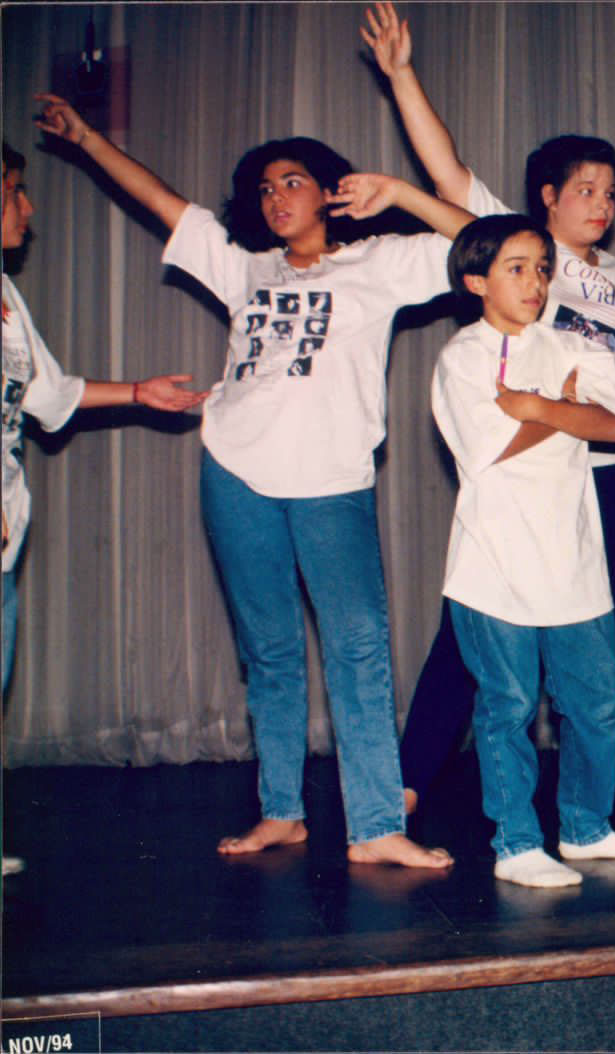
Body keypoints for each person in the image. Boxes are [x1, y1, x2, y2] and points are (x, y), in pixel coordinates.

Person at [35, 94, 467, 867]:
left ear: (329, 191)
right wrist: (89, 140)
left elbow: (486, 242)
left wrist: (400, 194)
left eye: (292, 182)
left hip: (331, 478)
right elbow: (161, 199)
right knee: (268, 651)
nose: (276, 199)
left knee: (357, 646)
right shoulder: (245, 267)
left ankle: (375, 825)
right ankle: (282, 812)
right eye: (265, 189)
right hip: (235, 471)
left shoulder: (380, 262)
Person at [360, 3, 615, 810]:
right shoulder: (525, 256)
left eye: (611, 191)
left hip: (604, 465)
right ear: (546, 198)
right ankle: (411, 777)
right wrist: (402, 74)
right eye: (585, 189)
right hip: (531, 471)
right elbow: (446, 177)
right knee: (473, 627)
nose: (601, 203)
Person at [433, 214, 615, 887]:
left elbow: (608, 422)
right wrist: (559, 412)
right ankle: (516, 844)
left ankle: (587, 828)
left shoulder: (572, 345)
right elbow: (485, 449)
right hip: (494, 565)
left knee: (598, 701)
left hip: (573, 560)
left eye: (541, 267)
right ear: (477, 280)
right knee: (506, 707)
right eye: (516, 268)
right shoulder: (462, 357)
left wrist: (534, 407)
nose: (535, 282)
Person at [2, 140, 208, 876]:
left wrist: (138, 392)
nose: (28, 207)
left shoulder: (7, 297)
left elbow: (48, 395)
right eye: (16, 191)